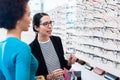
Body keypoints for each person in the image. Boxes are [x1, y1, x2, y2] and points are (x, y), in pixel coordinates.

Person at [30, 13, 77, 80]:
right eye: (45, 24)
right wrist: (49, 77)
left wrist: (69, 63)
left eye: (50, 23)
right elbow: (32, 76)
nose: (50, 26)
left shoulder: (57, 40)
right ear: (36, 27)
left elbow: (63, 64)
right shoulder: (31, 48)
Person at [0, 0, 38, 80]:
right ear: (18, 18)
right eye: (28, 15)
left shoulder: (1, 45)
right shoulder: (22, 48)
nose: (31, 19)